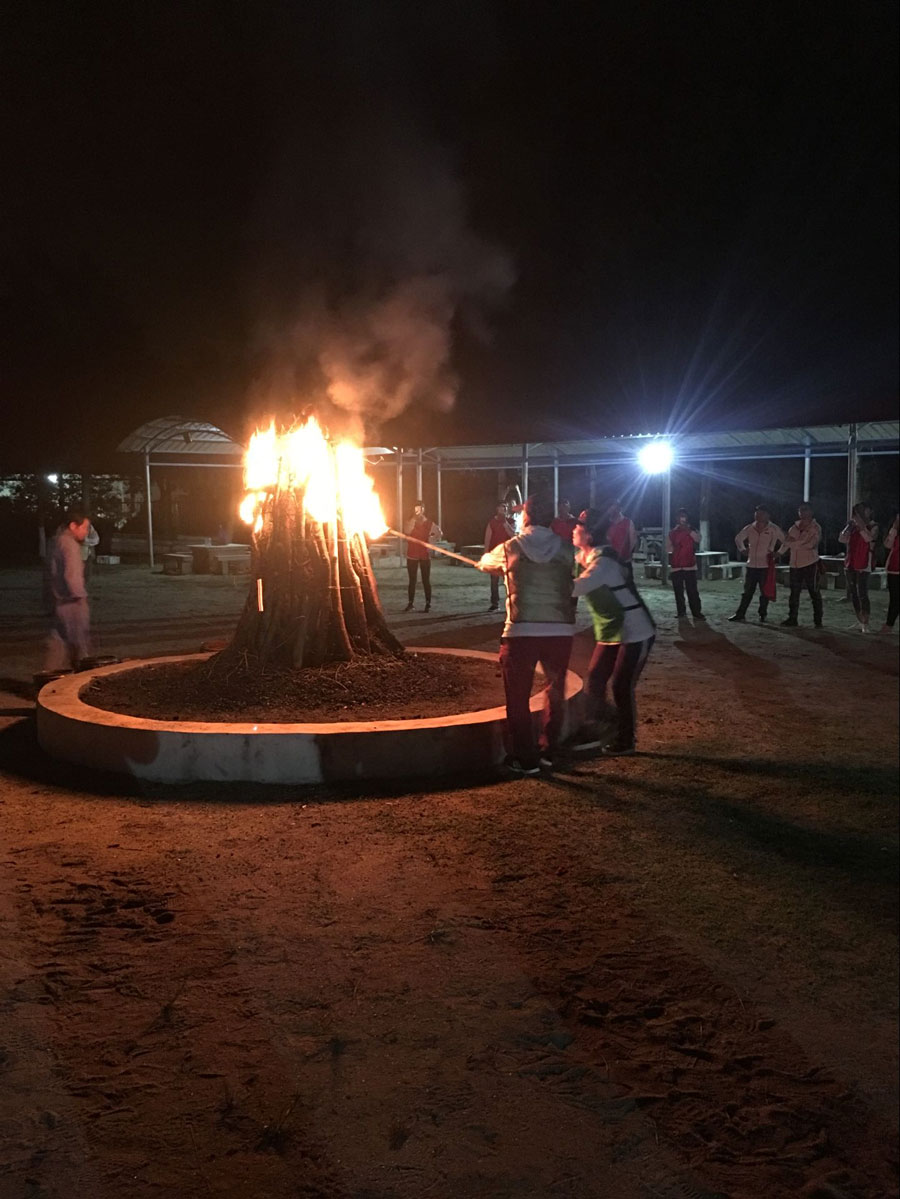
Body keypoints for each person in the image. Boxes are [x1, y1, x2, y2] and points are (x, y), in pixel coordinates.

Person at [477, 493, 576, 775]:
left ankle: (525, 758)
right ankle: (549, 752)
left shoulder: (511, 547)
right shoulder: (567, 548)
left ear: (527, 516)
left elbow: (485, 562)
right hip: (560, 631)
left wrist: (496, 567)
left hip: (521, 631)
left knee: (518, 697)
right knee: (555, 691)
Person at [571, 509, 656, 756]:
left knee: (621, 685)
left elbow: (576, 587)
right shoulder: (584, 556)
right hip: (611, 630)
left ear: (589, 534)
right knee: (596, 679)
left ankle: (625, 739)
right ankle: (598, 727)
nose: (573, 530)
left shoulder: (604, 563)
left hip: (635, 630)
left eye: (578, 526)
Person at [43, 507, 93, 672]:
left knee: (58, 642)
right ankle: (83, 678)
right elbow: (71, 575)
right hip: (72, 602)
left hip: (58, 600)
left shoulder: (55, 541)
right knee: (79, 644)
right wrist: (79, 595)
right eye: (84, 527)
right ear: (73, 526)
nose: (86, 532)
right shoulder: (70, 545)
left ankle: (48, 677)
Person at [729, 506, 785, 623]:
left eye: (761, 514)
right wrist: (742, 549)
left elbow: (786, 541)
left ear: (767, 515)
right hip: (751, 565)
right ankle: (740, 614)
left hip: (765, 565)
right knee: (747, 592)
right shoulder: (750, 528)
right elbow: (738, 538)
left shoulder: (773, 529)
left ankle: (762, 614)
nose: (758, 516)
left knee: (764, 592)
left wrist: (779, 553)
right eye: (756, 514)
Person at [779, 502, 823, 628]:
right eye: (800, 510)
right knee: (794, 593)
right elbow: (786, 543)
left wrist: (792, 543)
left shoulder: (815, 527)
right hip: (795, 564)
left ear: (811, 512)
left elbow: (810, 545)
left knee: (814, 592)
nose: (802, 512)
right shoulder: (794, 527)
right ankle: (792, 618)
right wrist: (778, 553)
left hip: (810, 563)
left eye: (805, 510)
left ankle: (818, 620)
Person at [839, 503, 878, 632]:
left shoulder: (873, 526)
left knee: (862, 592)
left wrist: (861, 527)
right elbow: (842, 539)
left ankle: (865, 622)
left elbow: (869, 539)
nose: (859, 515)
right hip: (851, 562)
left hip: (864, 563)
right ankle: (859, 619)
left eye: (863, 511)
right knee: (853, 592)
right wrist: (848, 528)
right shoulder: (852, 526)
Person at [666, 508, 705, 620]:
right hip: (676, 566)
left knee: (692, 591)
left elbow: (698, 539)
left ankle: (696, 613)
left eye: (683, 516)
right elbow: (668, 548)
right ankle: (681, 612)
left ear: (687, 518)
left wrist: (688, 531)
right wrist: (675, 549)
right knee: (678, 592)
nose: (681, 518)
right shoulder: (672, 532)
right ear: (676, 518)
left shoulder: (692, 530)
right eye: (680, 516)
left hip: (690, 566)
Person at [404, 502, 442, 612]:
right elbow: (407, 531)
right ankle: (410, 603)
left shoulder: (429, 523)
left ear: (423, 510)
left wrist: (431, 540)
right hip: (412, 555)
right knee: (412, 580)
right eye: (416, 509)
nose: (418, 511)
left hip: (424, 555)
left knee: (426, 580)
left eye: (420, 509)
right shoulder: (410, 522)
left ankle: (428, 604)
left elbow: (439, 533)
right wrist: (413, 520)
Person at [483, 502, 516, 611]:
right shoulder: (492, 523)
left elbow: (513, 535)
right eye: (502, 507)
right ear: (497, 509)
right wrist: (486, 553)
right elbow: (487, 538)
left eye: (506, 507)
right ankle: (495, 603)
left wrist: (505, 524)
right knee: (494, 581)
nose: (504, 509)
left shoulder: (511, 522)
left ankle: (512, 602)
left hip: (508, 555)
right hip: (495, 556)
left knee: (510, 580)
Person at [604, 499, 637, 579]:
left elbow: (633, 541)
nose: (610, 510)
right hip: (610, 563)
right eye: (609, 508)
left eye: (613, 508)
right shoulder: (607, 524)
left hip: (624, 562)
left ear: (619, 508)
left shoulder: (628, 522)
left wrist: (627, 556)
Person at [881, 513, 899, 633]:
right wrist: (894, 528)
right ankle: (889, 625)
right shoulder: (894, 531)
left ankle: (889, 624)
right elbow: (887, 544)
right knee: (895, 599)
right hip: (894, 568)